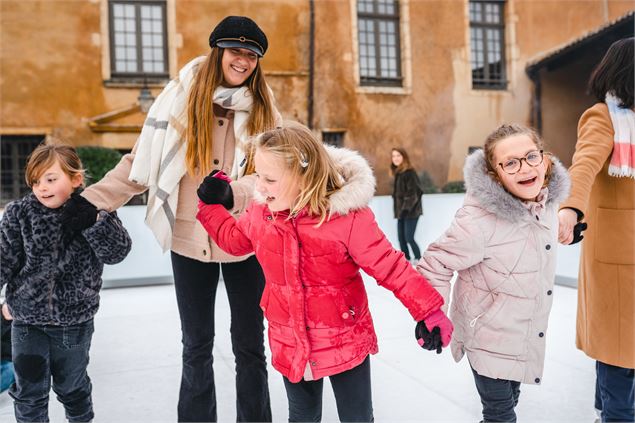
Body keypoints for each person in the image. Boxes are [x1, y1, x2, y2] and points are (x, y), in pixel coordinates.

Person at [62, 15, 281, 422]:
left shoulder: (266, 110)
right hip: (188, 240)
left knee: (250, 346)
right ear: (219, 52)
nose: (244, 61)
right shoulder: (179, 100)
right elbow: (140, 161)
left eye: (252, 55)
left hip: (246, 242)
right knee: (196, 345)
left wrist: (236, 192)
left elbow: (277, 173)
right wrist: (93, 201)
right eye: (236, 51)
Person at [195, 122, 453, 422]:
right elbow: (234, 241)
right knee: (302, 416)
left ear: (304, 177)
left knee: (356, 417)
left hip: (344, 338)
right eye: (257, 176)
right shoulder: (261, 214)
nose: (259, 187)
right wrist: (209, 206)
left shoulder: (346, 218)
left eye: (269, 179)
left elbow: (391, 266)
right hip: (289, 340)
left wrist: (429, 310)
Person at [416, 124, 571, 423]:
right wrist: (430, 312)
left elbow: (538, 240)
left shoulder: (546, 203)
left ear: (545, 160)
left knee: (509, 402)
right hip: (485, 337)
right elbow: (436, 262)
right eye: (510, 163)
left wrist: (570, 228)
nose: (524, 168)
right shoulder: (479, 221)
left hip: (522, 335)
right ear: (494, 174)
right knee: (500, 415)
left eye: (530, 157)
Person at [0, 143, 132, 422]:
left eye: (51, 179)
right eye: (35, 181)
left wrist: (95, 221)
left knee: (72, 388)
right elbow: (4, 259)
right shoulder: (19, 213)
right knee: (28, 393)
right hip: (27, 323)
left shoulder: (92, 210)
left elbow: (117, 252)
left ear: (76, 179)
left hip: (74, 323)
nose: (42, 188)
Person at [557, 37, 635, 423]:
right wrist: (570, 208)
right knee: (619, 351)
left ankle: (608, 410)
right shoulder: (603, 118)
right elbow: (584, 165)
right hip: (618, 259)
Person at [390, 148, 423, 264]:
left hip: (411, 212)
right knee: (401, 238)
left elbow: (414, 193)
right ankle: (406, 259)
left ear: (404, 157)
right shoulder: (398, 173)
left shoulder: (409, 173)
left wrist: (405, 209)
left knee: (409, 238)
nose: (395, 158)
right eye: (393, 156)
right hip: (401, 212)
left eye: (398, 155)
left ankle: (419, 258)